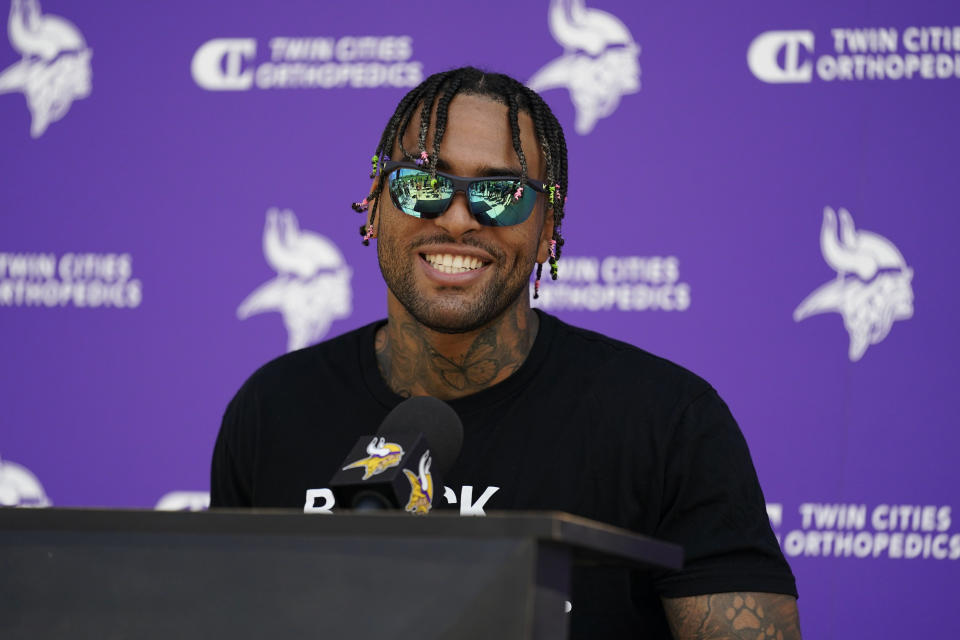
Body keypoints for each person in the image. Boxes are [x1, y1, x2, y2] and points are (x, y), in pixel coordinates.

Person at [212, 66, 801, 639]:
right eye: (423, 184)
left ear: (548, 228)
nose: (458, 217)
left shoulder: (669, 423)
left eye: (500, 194)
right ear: (375, 203)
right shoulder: (274, 408)